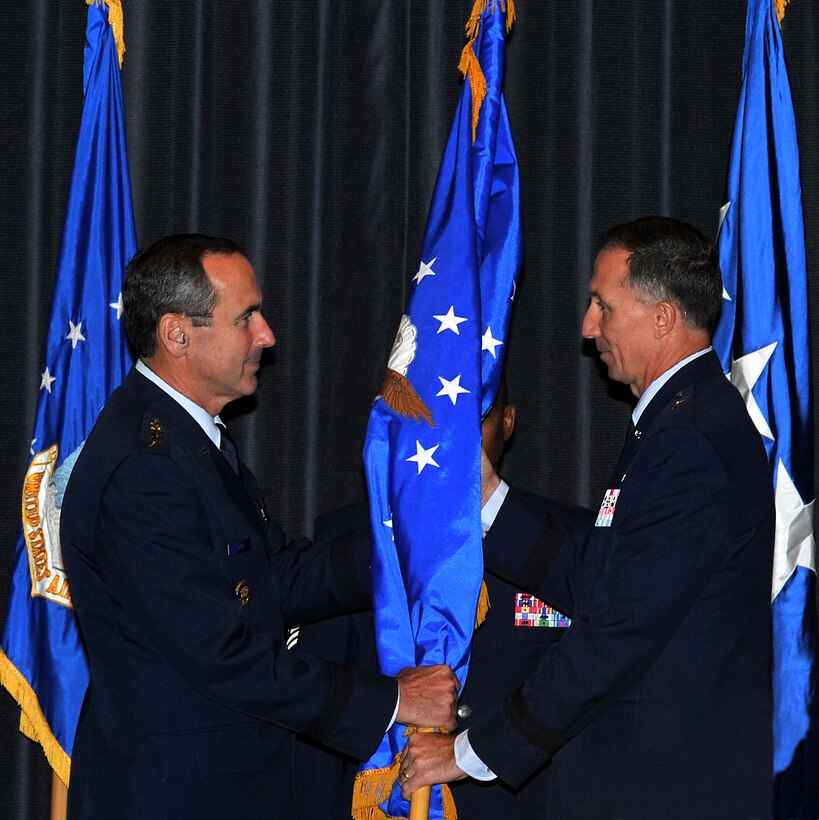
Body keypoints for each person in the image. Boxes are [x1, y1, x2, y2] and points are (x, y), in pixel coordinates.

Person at [59, 234, 459, 819]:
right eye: (246, 317)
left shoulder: (188, 438)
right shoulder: (144, 468)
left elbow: (273, 576)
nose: (267, 335)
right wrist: (394, 700)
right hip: (171, 797)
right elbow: (222, 653)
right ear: (177, 334)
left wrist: (407, 544)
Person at [399, 216, 775, 819]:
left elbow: (617, 629)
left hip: (667, 789)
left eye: (603, 304)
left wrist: (470, 752)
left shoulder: (689, 439)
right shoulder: (680, 421)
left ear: (662, 317)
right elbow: (604, 581)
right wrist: (489, 499)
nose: (587, 326)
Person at [291, 379, 591, 819]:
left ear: (507, 423)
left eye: (476, 418)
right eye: (436, 419)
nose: (455, 437)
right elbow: (318, 726)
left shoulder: (567, 541)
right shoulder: (351, 542)